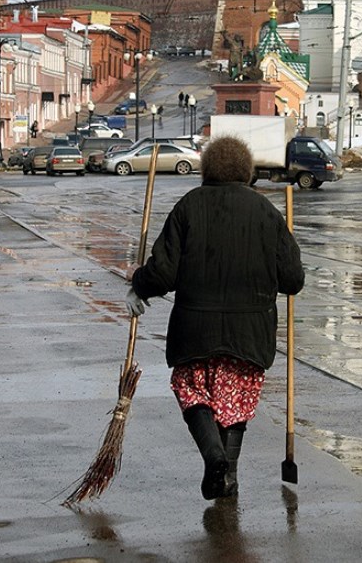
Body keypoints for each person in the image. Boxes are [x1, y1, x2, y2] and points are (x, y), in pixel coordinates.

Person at [126, 136, 304, 500]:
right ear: (246, 171)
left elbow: (163, 273)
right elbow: (293, 281)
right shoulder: (267, 212)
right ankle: (228, 472)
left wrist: (137, 285)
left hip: (195, 329)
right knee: (237, 397)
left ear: (207, 170)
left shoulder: (189, 206)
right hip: (251, 332)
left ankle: (213, 457)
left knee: (192, 390)